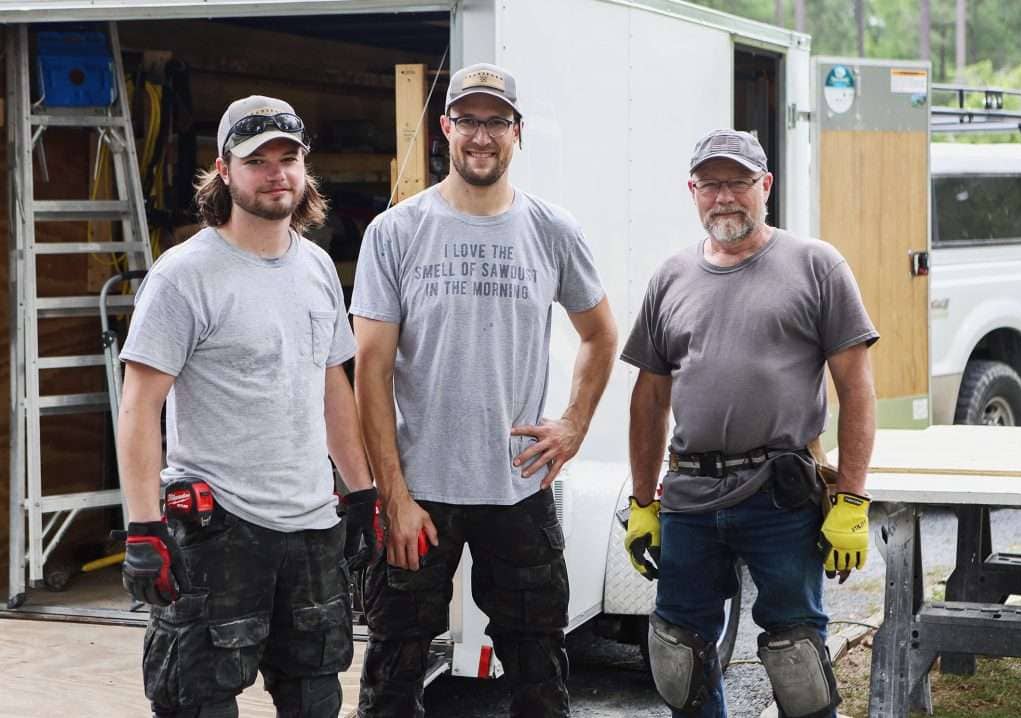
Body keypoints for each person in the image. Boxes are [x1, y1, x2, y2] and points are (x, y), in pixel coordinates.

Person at [350, 63, 619, 717]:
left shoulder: (552, 230)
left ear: (517, 131)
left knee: (539, 679)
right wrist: (394, 496)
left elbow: (601, 335)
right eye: (468, 120)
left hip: (517, 490)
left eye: (496, 121)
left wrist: (574, 424)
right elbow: (371, 372)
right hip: (421, 496)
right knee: (392, 681)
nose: (481, 135)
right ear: (445, 128)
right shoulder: (396, 232)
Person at [116, 95, 376, 718]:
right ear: (224, 171)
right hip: (219, 531)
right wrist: (144, 527)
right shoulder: (184, 275)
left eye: (289, 158)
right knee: (196, 700)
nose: (276, 174)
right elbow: (138, 407)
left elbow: (333, 389)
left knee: (315, 698)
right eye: (257, 160)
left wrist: (362, 493)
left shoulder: (317, 267)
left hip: (312, 529)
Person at [621, 129, 878, 718]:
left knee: (797, 659)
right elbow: (649, 399)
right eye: (710, 184)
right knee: (678, 654)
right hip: (689, 497)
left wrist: (852, 499)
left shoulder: (817, 266)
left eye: (738, 181)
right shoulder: (670, 277)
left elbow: (857, 390)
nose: (724, 197)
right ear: (692, 191)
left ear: (766, 185)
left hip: (780, 496)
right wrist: (643, 503)